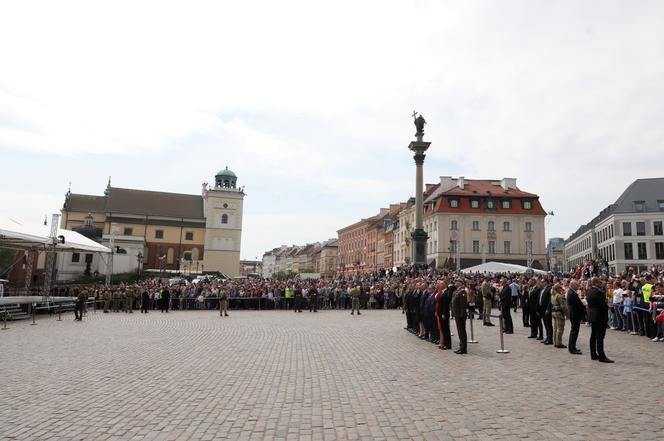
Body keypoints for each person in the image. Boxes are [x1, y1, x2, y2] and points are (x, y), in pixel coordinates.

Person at [586, 277, 614, 363]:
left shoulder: (589, 291)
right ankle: (601, 356)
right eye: (600, 282)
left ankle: (593, 354)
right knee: (600, 337)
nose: (601, 284)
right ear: (596, 283)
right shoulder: (599, 292)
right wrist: (608, 307)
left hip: (593, 316)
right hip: (600, 317)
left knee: (593, 336)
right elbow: (602, 305)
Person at [566, 279, 584, 355]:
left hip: (574, 314)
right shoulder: (572, 293)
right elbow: (576, 304)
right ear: (572, 285)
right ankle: (572, 348)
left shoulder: (572, 292)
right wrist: (583, 305)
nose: (578, 286)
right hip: (575, 314)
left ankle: (572, 347)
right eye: (577, 285)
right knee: (574, 332)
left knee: (574, 331)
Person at [451, 278, 468, 355]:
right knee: (459, 331)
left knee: (462, 331)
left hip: (460, 315)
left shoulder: (462, 291)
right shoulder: (456, 291)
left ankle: (463, 348)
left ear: (460, 283)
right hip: (457, 314)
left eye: (456, 281)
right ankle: (461, 346)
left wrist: (462, 314)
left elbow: (463, 305)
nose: (455, 282)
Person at [550, 283, 567, 348]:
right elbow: (563, 307)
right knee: (560, 329)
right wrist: (567, 314)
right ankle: (559, 343)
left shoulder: (552, 295)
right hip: (559, 313)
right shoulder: (559, 296)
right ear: (558, 289)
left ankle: (555, 341)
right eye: (560, 288)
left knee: (555, 328)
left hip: (554, 312)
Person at [437, 282, 453, 350]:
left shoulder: (446, 292)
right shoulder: (442, 292)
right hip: (441, 313)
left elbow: (445, 304)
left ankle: (448, 344)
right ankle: (444, 343)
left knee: (446, 329)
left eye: (441, 284)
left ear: (444, 285)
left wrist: (443, 313)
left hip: (444, 314)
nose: (439, 285)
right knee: (443, 329)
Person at [540, 279, 553, 345]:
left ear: (546, 282)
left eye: (543, 282)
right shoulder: (543, 289)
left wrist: (548, 309)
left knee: (548, 324)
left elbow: (550, 300)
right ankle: (547, 337)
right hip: (542, 308)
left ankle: (550, 338)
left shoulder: (549, 289)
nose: (541, 283)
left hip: (547, 309)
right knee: (545, 323)